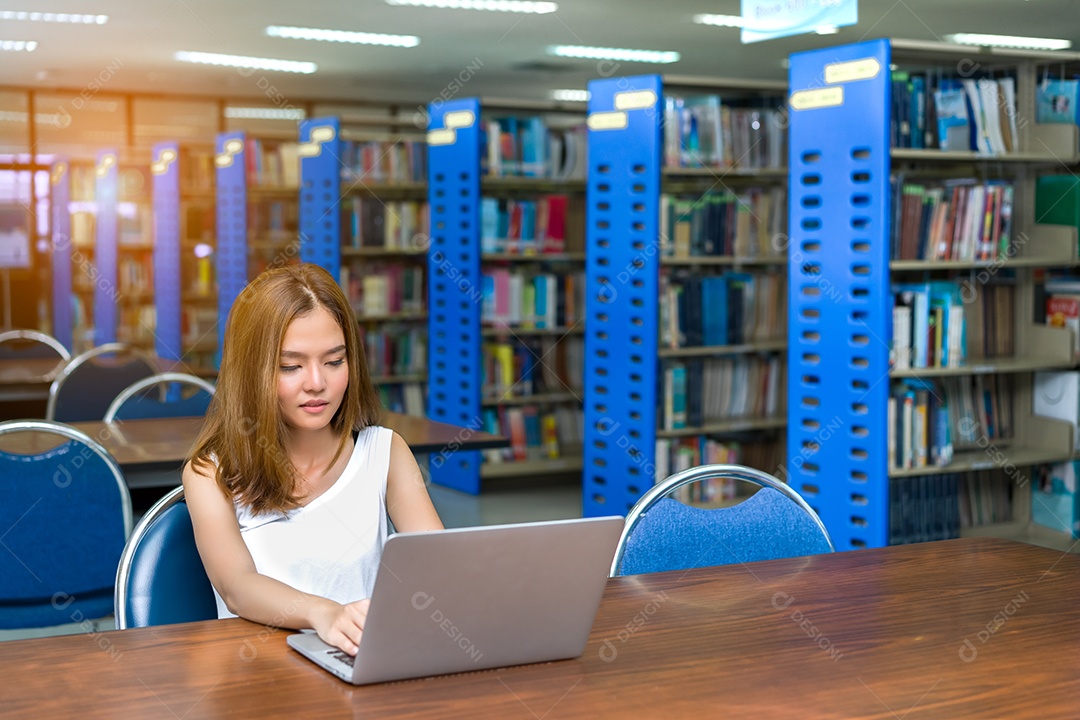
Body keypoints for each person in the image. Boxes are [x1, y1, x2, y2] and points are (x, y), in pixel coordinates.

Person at [184, 263, 443, 656]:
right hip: (259, 678)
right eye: (291, 366)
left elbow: (441, 567)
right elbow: (237, 586)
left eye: (335, 361)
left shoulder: (385, 452)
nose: (317, 383)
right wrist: (325, 614)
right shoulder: (211, 473)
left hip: (363, 664)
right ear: (251, 371)